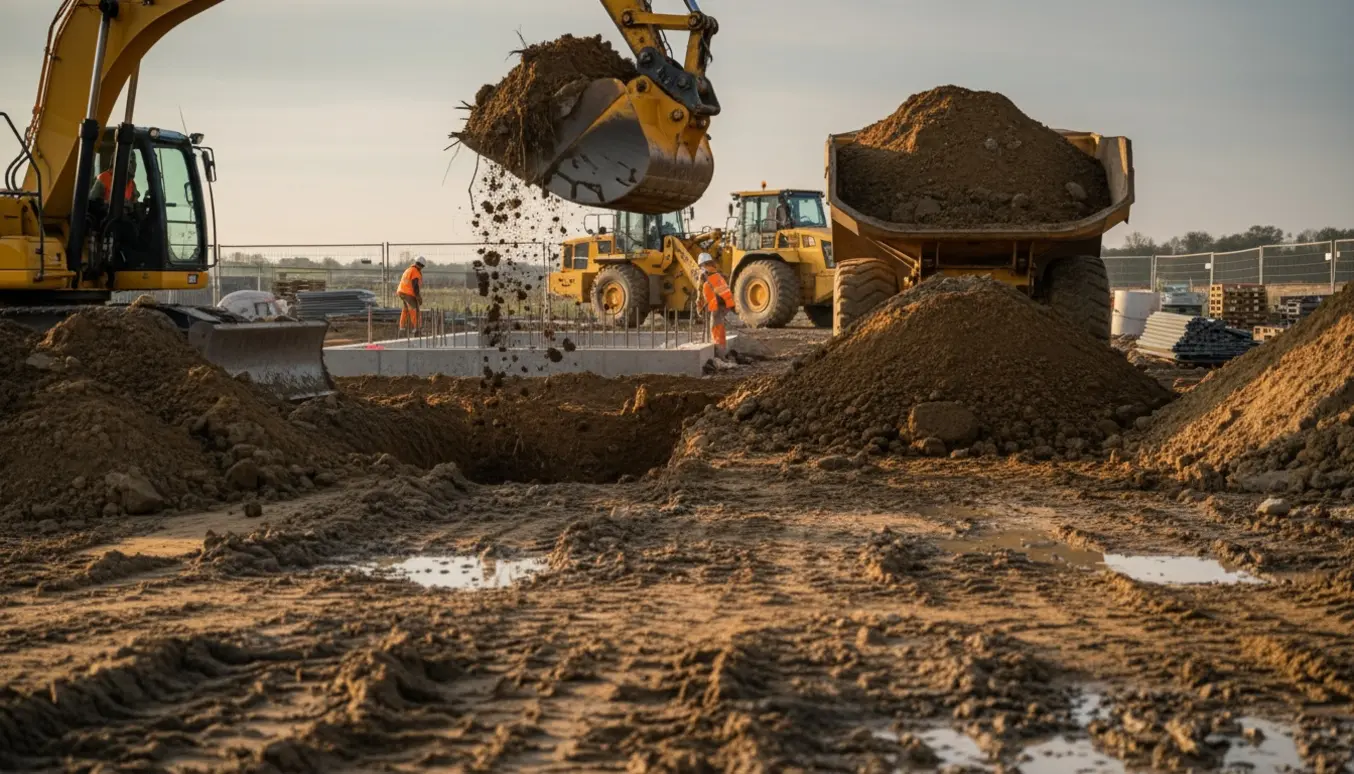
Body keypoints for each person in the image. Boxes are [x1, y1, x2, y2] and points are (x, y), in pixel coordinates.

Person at [698, 252, 735, 358]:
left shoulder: (707, 277)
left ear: (703, 265)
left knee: (716, 327)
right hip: (725, 304)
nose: (701, 269)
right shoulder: (717, 275)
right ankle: (721, 348)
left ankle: (719, 352)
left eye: (701, 266)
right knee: (719, 327)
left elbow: (706, 294)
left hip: (718, 305)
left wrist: (700, 307)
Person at [397, 255, 426, 336]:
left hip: (402, 292)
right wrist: (418, 297)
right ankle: (417, 330)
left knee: (406, 310)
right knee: (415, 310)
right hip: (408, 294)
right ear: (422, 266)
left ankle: (402, 329)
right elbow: (415, 286)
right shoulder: (415, 272)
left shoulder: (409, 269)